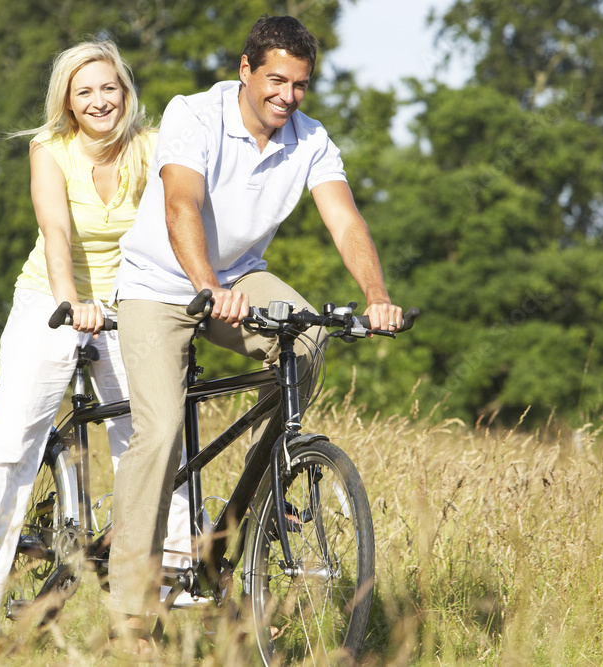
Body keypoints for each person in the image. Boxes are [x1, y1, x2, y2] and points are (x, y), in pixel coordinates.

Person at [108, 14, 404, 657]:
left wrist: (376, 297)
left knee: (308, 343)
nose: (287, 96)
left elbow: (345, 220)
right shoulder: (194, 115)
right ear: (245, 70)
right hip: (160, 285)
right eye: (276, 80)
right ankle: (130, 614)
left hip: (241, 278)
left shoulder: (311, 139)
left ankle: (232, 533)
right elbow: (179, 204)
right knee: (158, 432)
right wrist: (209, 288)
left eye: (300, 85)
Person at [0, 39, 194, 625]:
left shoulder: (153, 149)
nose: (100, 101)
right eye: (86, 92)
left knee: (153, 440)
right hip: (52, 295)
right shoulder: (51, 148)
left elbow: (180, 221)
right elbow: (54, 230)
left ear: (126, 93)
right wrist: (73, 302)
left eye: (109, 88)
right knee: (9, 439)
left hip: (132, 302)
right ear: (68, 104)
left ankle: (172, 588)